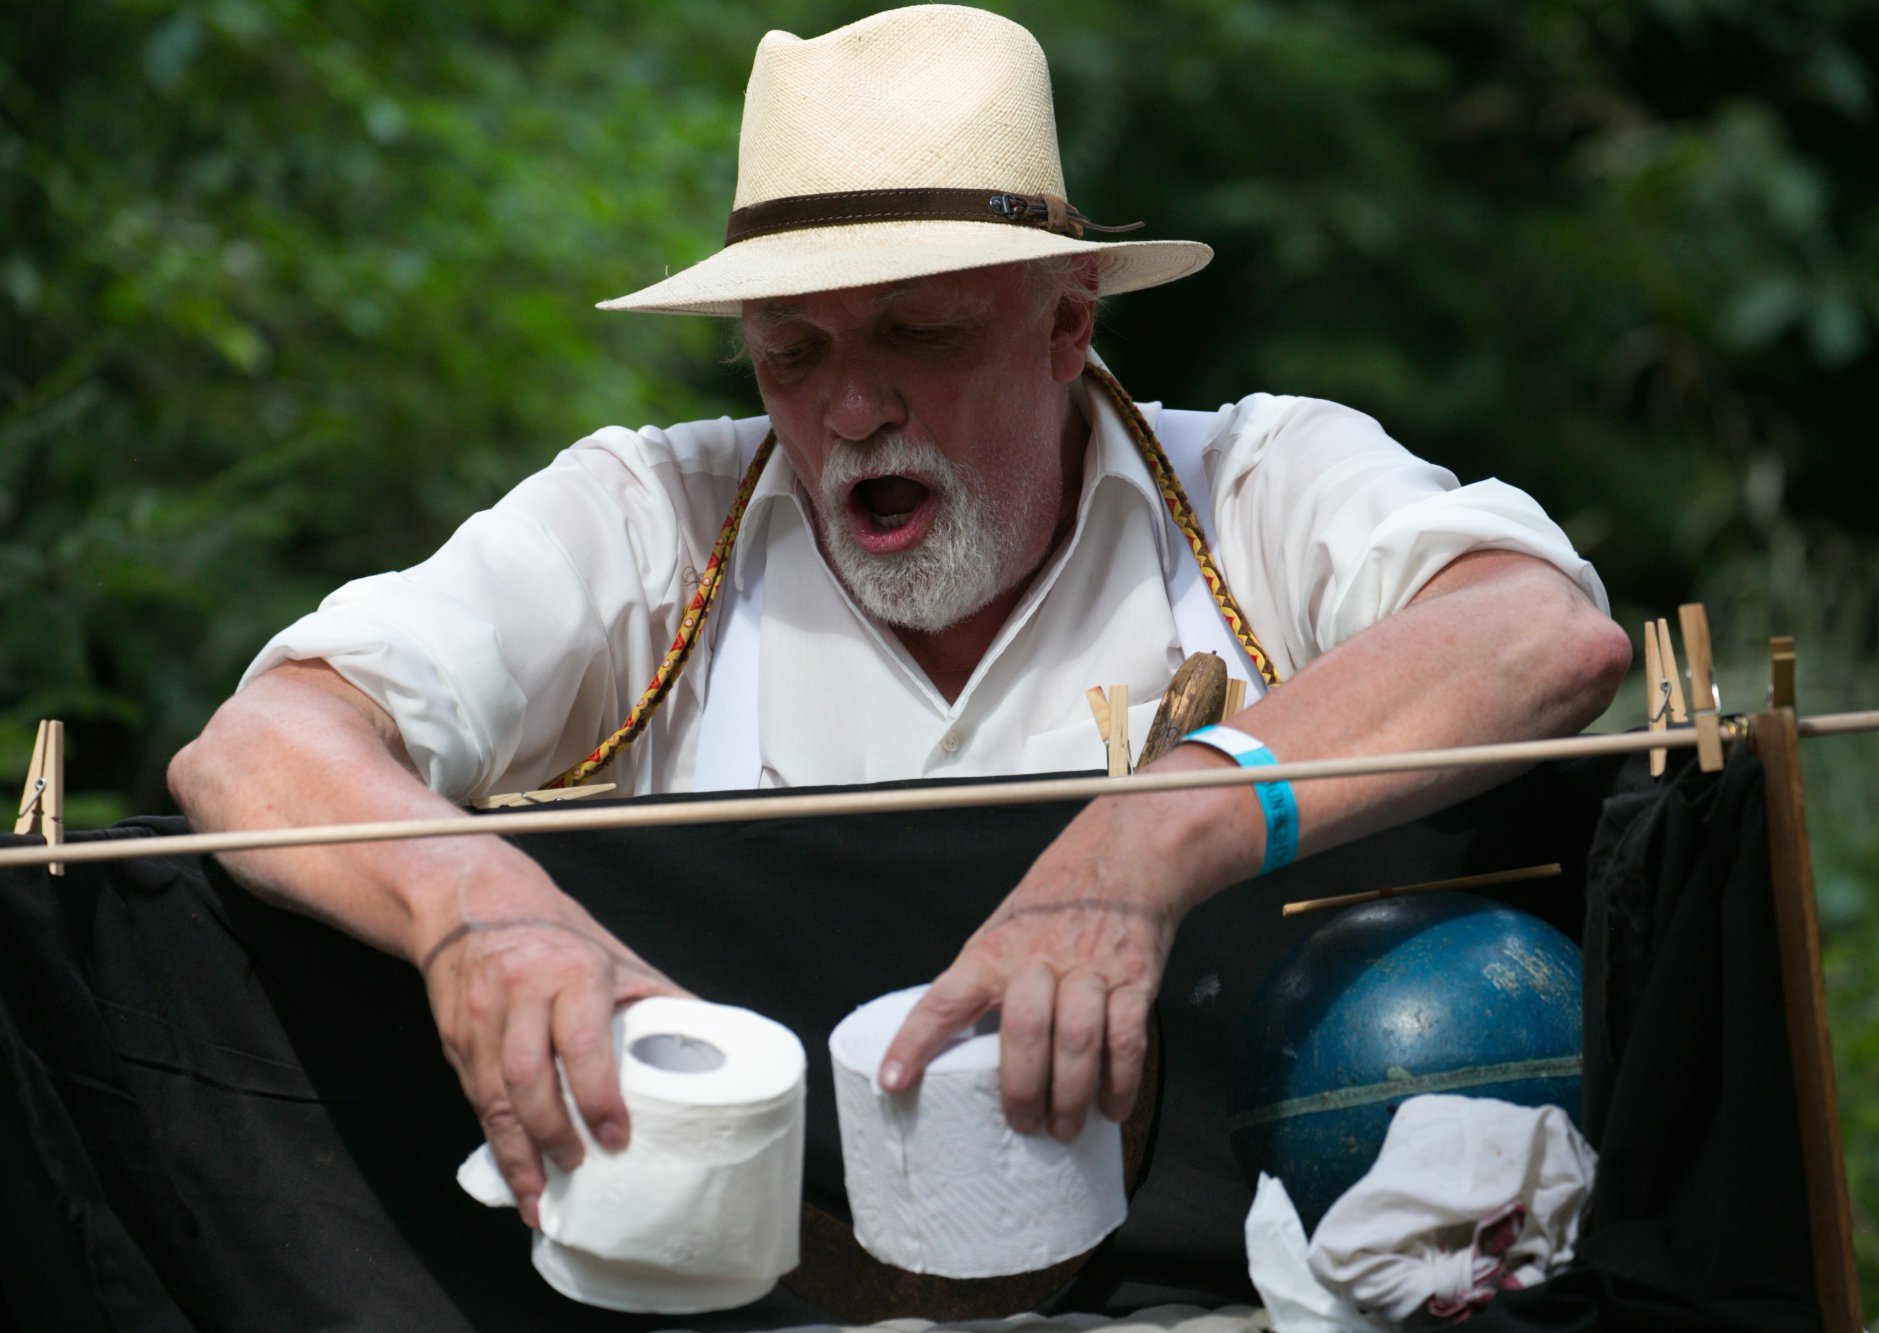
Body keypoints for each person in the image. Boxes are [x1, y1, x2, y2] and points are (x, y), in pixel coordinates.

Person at [168, 5, 1630, 1240]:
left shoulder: (1252, 484)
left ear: (1069, 323)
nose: (849, 410)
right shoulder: (648, 522)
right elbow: (261, 744)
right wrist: (478, 910)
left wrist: (1146, 840)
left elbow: (1537, 634)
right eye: (790, 355)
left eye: (918, 333)